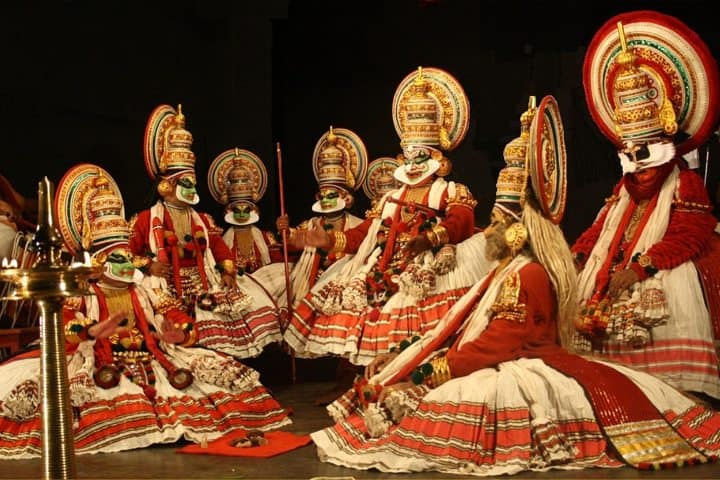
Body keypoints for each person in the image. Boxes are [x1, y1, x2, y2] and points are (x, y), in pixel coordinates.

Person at [310, 95, 720, 476]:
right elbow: (465, 324)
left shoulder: (527, 274)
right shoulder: (506, 269)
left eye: (503, 219)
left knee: (458, 402)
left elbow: (500, 343)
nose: (492, 228)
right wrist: (412, 355)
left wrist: (430, 373)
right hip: (498, 355)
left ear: (521, 229)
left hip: (519, 362)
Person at [0, 164, 291, 458]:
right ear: (99, 261)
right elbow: (63, 329)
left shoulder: (147, 288)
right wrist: (90, 331)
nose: (128, 263)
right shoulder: (82, 294)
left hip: (155, 356)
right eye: (119, 257)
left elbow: (176, 316)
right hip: (102, 358)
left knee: (221, 386)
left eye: (128, 256)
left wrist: (181, 333)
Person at [282, 67, 487, 367]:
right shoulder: (390, 199)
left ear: (437, 159)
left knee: (424, 330)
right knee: (363, 318)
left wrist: (428, 238)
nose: (414, 164)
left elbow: (461, 222)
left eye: (422, 157)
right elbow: (362, 234)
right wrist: (327, 239)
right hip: (384, 266)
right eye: (409, 156)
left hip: (428, 268)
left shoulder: (451, 190)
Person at [573, 11, 720, 399]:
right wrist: (574, 256)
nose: (637, 162)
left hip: (659, 269)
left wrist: (641, 269)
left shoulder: (683, 183)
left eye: (642, 151)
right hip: (613, 272)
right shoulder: (622, 189)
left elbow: (690, 235)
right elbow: (600, 228)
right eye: (628, 152)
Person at [129, 104, 281, 359]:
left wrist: (228, 272)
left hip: (202, 282)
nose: (190, 188)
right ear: (167, 186)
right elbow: (126, 255)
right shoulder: (146, 220)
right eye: (185, 183)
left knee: (227, 318)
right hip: (164, 289)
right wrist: (148, 266)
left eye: (192, 183)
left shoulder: (202, 220)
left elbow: (220, 251)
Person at [257, 126, 369, 316]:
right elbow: (293, 243)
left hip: (345, 283)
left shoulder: (358, 224)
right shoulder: (311, 224)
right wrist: (286, 232)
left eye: (331, 194)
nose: (326, 200)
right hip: (311, 283)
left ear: (346, 197)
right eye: (322, 195)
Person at [208, 147, 284, 275]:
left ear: (253, 210)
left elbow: (278, 267)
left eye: (246, 210)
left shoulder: (267, 238)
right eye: (238, 210)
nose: (242, 214)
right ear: (229, 211)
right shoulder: (223, 241)